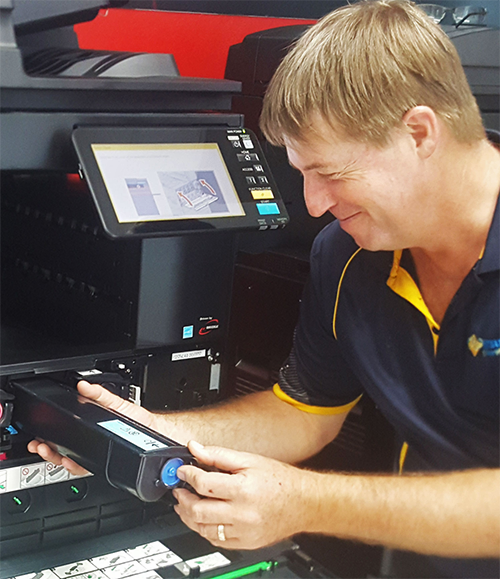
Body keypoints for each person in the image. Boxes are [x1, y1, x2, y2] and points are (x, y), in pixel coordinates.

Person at [29, 1, 500, 577]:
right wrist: (146, 431)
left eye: (330, 173)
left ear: (420, 132)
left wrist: (305, 502)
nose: (313, 204)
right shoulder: (350, 253)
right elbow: (305, 414)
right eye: (301, 173)